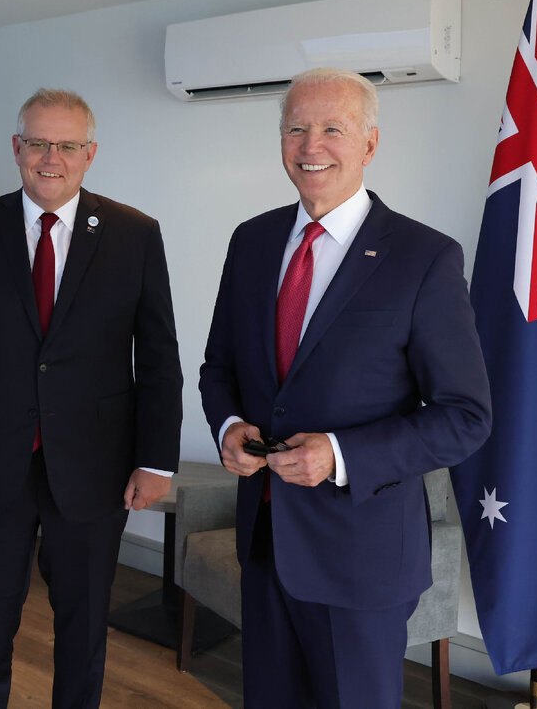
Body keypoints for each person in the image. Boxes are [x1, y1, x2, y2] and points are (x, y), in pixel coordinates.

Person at [198, 68, 492, 708]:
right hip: (265, 542)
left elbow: (464, 416)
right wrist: (228, 426)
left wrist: (339, 454)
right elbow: (218, 367)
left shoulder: (424, 257)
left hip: (361, 558)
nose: (311, 146)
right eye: (296, 129)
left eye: (333, 128)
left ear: (370, 143)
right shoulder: (251, 241)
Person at [0, 88, 183, 708]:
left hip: (95, 468)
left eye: (66, 145)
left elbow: (159, 357)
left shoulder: (135, 235)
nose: (50, 158)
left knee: (84, 629)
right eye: (38, 143)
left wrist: (156, 460)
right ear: (17, 148)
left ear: (90, 153)